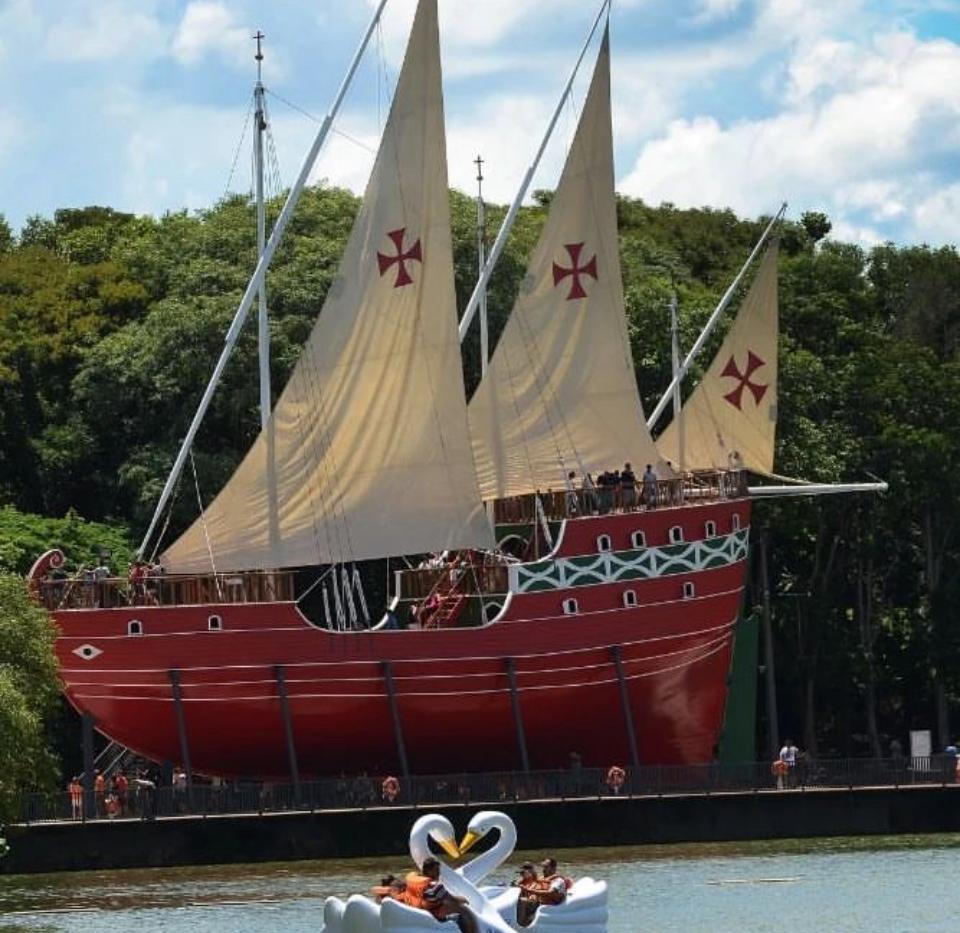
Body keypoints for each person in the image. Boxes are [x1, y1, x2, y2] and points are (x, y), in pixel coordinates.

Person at [404, 856, 477, 933]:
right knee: (463, 911)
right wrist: (463, 899)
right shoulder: (434, 886)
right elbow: (452, 900)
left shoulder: (413, 879)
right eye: (437, 870)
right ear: (429, 871)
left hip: (419, 912)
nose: (439, 873)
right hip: (432, 915)